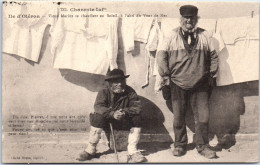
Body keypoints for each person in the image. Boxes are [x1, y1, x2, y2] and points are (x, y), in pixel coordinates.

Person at [157, 5, 218, 159]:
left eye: (192, 17)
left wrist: (210, 75)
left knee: (203, 117)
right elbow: (161, 57)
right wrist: (166, 79)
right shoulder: (171, 36)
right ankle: (179, 145)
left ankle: (202, 146)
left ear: (196, 19)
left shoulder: (205, 36)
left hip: (201, 84)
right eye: (186, 17)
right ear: (181, 19)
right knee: (178, 116)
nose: (188, 20)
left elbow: (214, 58)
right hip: (177, 83)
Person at [77, 69, 146, 163]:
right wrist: (112, 114)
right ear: (110, 83)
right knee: (97, 117)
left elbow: (137, 107)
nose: (120, 84)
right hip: (107, 121)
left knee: (137, 118)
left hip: (124, 120)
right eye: (116, 82)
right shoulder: (104, 91)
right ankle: (91, 149)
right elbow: (98, 106)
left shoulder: (130, 91)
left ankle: (133, 151)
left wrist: (124, 112)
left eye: (122, 81)